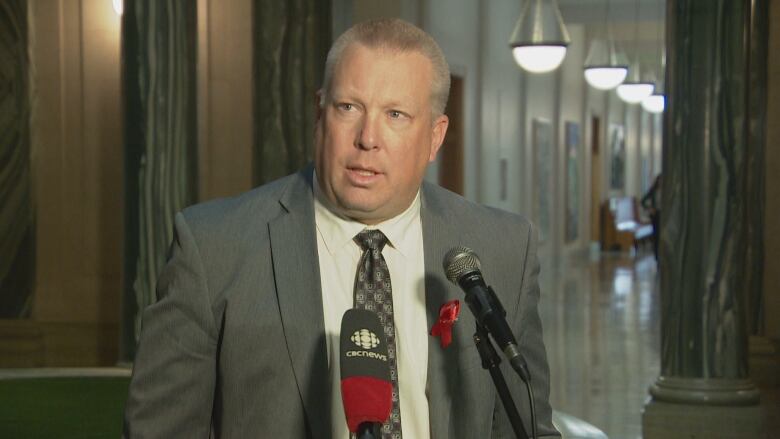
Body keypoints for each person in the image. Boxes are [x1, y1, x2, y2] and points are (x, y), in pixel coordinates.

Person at [124, 18, 559, 439]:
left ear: (435, 136)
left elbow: (526, 427)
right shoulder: (213, 247)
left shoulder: (502, 248)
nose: (367, 137)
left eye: (396, 114)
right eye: (348, 107)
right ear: (320, 114)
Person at [641, 174, 661, 259]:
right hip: (656, 215)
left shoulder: (667, 190)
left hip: (664, 215)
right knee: (656, 235)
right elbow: (643, 201)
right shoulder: (653, 191)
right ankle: (656, 256)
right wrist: (650, 208)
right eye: (659, 180)